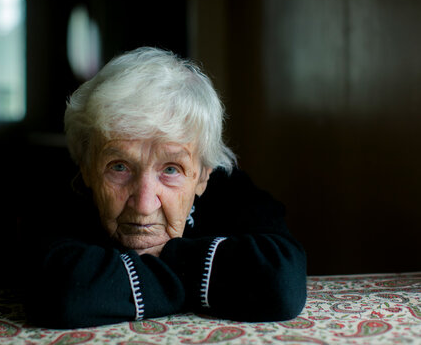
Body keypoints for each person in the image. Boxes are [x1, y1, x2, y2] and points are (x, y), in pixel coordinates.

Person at [25, 47, 307, 329]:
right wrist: (207, 276)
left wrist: (157, 266)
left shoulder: (228, 190)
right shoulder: (61, 197)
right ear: (86, 167)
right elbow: (63, 294)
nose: (144, 204)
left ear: (203, 176)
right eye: (119, 167)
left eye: (171, 170)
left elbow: (280, 283)